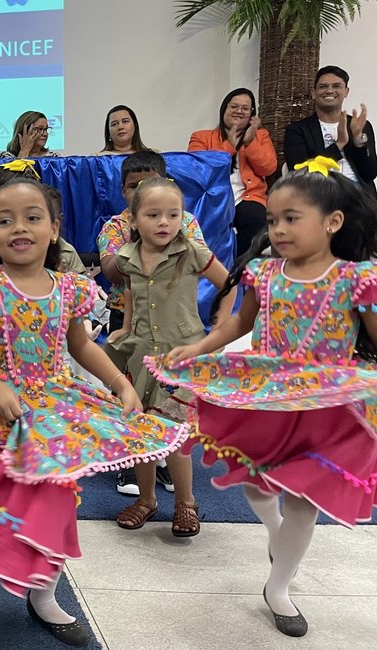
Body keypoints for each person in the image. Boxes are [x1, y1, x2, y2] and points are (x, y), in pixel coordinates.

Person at [0, 175, 187, 649]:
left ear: (54, 229)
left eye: (33, 217)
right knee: (12, 510)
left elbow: (80, 345)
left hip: (55, 416)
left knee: (54, 503)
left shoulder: (69, 288)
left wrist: (118, 382)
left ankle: (43, 595)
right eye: (3, 220)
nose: (19, 228)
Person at [155, 157, 377, 637]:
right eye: (273, 220)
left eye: (291, 218)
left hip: (327, 404)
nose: (277, 229)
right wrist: (197, 347)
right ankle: (276, 534)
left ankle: (279, 587)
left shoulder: (357, 279)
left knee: (303, 497)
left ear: (332, 222)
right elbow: (239, 323)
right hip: (268, 392)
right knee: (256, 481)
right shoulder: (263, 273)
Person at [106, 177, 234, 537]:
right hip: (141, 355)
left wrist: (220, 329)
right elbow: (132, 294)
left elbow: (230, 283)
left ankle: (186, 503)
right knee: (143, 431)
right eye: (153, 214)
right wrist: (125, 328)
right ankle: (147, 500)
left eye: (172, 214)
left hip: (181, 356)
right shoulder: (127, 258)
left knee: (175, 437)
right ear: (133, 220)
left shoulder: (191, 251)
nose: (164, 222)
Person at [96, 151, 206, 496]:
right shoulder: (115, 227)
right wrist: (138, 238)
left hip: (175, 326)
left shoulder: (182, 221)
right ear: (123, 191)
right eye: (133, 186)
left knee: (171, 402)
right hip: (130, 322)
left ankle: (168, 461)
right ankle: (130, 465)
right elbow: (114, 271)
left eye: (149, 183)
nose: (142, 190)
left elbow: (201, 260)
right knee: (131, 398)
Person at [189, 88, 278, 256]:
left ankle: (240, 269)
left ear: (252, 114)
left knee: (255, 219)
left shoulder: (261, 136)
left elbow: (268, 167)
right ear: (224, 109)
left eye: (245, 108)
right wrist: (230, 144)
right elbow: (198, 170)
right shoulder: (201, 137)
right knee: (208, 224)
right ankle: (215, 270)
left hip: (249, 196)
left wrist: (250, 142)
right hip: (213, 197)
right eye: (234, 106)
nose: (239, 111)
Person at [284, 66, 376, 196]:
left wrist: (358, 140)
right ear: (314, 93)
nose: (329, 91)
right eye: (323, 86)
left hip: (359, 196)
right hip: (319, 195)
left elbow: (370, 173)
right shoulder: (298, 130)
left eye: (336, 86)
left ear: (346, 91)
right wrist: (338, 144)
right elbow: (299, 173)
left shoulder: (360, 125)